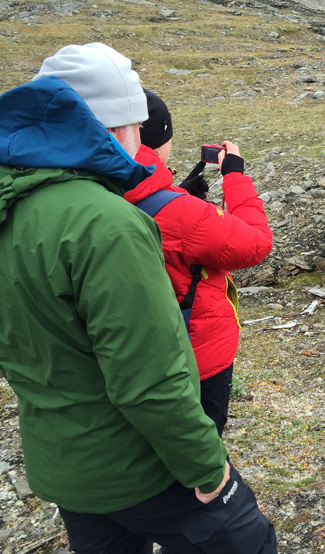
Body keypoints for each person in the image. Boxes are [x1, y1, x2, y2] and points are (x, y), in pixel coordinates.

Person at [0, 43, 276, 554]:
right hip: (136, 462)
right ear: (122, 127)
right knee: (249, 541)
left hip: (63, 458)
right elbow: (148, 380)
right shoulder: (106, 224)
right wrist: (208, 470)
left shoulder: (15, 205)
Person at [126, 89, 273, 437]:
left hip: (126, 357)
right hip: (192, 358)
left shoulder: (96, 187)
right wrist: (234, 176)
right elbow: (255, 243)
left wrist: (174, 195)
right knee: (196, 446)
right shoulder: (180, 214)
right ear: (159, 139)